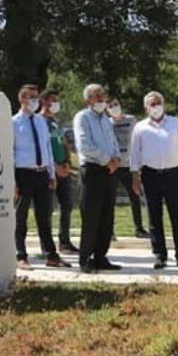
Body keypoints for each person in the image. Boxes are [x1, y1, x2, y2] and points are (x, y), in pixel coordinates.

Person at [129, 91, 178, 269]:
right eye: (152, 104)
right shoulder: (140, 127)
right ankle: (160, 255)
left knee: (177, 216)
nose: (156, 106)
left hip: (172, 174)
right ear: (146, 108)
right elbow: (134, 155)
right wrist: (135, 178)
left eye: (159, 102)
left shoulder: (175, 123)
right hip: (150, 175)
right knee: (154, 217)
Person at [12, 84, 68, 270]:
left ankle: (51, 255)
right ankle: (20, 255)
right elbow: (10, 152)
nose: (34, 100)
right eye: (30, 97)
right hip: (23, 173)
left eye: (36, 96)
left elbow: (47, 148)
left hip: (42, 173)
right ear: (22, 99)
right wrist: (13, 181)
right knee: (21, 216)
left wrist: (51, 173)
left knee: (44, 216)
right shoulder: (13, 123)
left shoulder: (40, 121)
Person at [73, 84, 123, 273]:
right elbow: (84, 145)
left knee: (106, 217)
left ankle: (101, 256)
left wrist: (116, 158)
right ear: (88, 100)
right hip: (93, 170)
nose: (101, 99)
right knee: (91, 217)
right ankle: (85, 258)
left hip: (110, 170)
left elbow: (113, 142)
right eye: (97, 96)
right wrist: (107, 160)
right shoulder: (82, 117)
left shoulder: (106, 120)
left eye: (103, 95)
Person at [40, 89, 79, 255]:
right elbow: (43, 147)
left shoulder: (55, 121)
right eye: (53, 100)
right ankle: (46, 245)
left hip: (64, 168)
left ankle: (65, 242)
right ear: (44, 101)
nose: (56, 103)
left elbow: (63, 142)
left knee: (67, 205)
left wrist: (68, 162)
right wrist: (54, 166)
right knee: (47, 208)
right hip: (50, 170)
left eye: (57, 100)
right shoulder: (39, 121)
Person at [108, 97, 149, 239]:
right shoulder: (107, 123)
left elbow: (139, 140)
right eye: (110, 106)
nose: (114, 107)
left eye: (116, 104)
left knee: (135, 196)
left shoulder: (131, 120)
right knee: (110, 199)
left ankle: (139, 228)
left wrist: (139, 162)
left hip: (129, 165)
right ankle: (109, 231)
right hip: (114, 165)